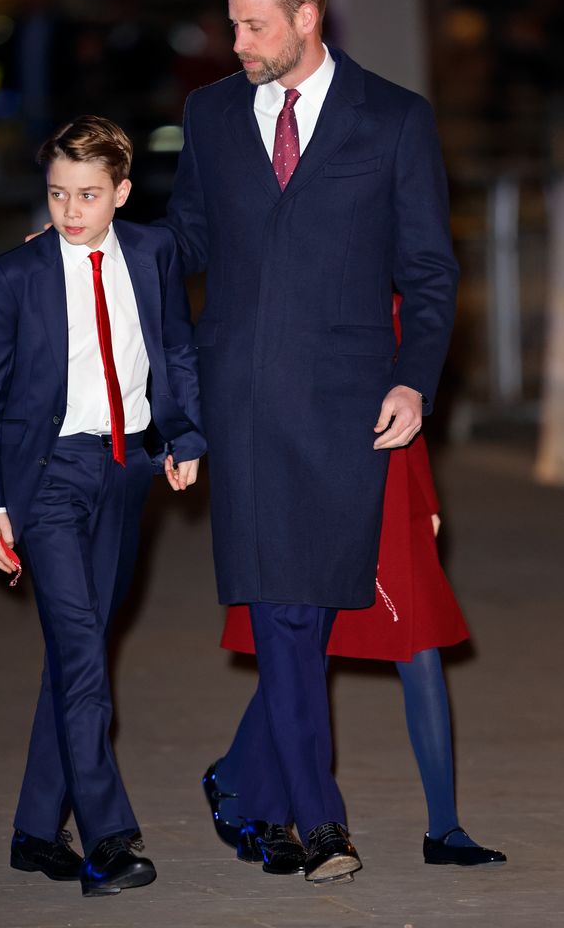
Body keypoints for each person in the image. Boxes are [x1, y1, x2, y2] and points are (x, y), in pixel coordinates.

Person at [161, 0, 460, 884]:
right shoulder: (209, 115)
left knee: (318, 607)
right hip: (241, 399)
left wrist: (414, 380)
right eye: (233, 23)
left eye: (253, 25)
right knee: (284, 610)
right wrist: (100, 236)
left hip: (346, 407)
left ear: (305, 19)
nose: (235, 42)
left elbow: (430, 273)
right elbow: (187, 243)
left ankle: (252, 790)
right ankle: (317, 822)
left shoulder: (395, 120)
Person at [0, 115, 206, 897]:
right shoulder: (16, 274)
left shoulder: (154, 251)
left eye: (89, 196)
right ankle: (109, 838)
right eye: (59, 194)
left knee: (81, 654)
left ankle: (36, 830)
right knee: (81, 656)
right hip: (51, 480)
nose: (71, 211)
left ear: (122, 193)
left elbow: (173, 346)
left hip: (129, 471)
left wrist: (185, 433)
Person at [204, 304, 505, 871]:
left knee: (418, 651)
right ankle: (234, 775)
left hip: (388, 490)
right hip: (315, 484)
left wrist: (427, 502)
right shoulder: (313, 288)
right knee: (305, 651)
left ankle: (444, 827)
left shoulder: (397, 305)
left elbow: (410, 409)